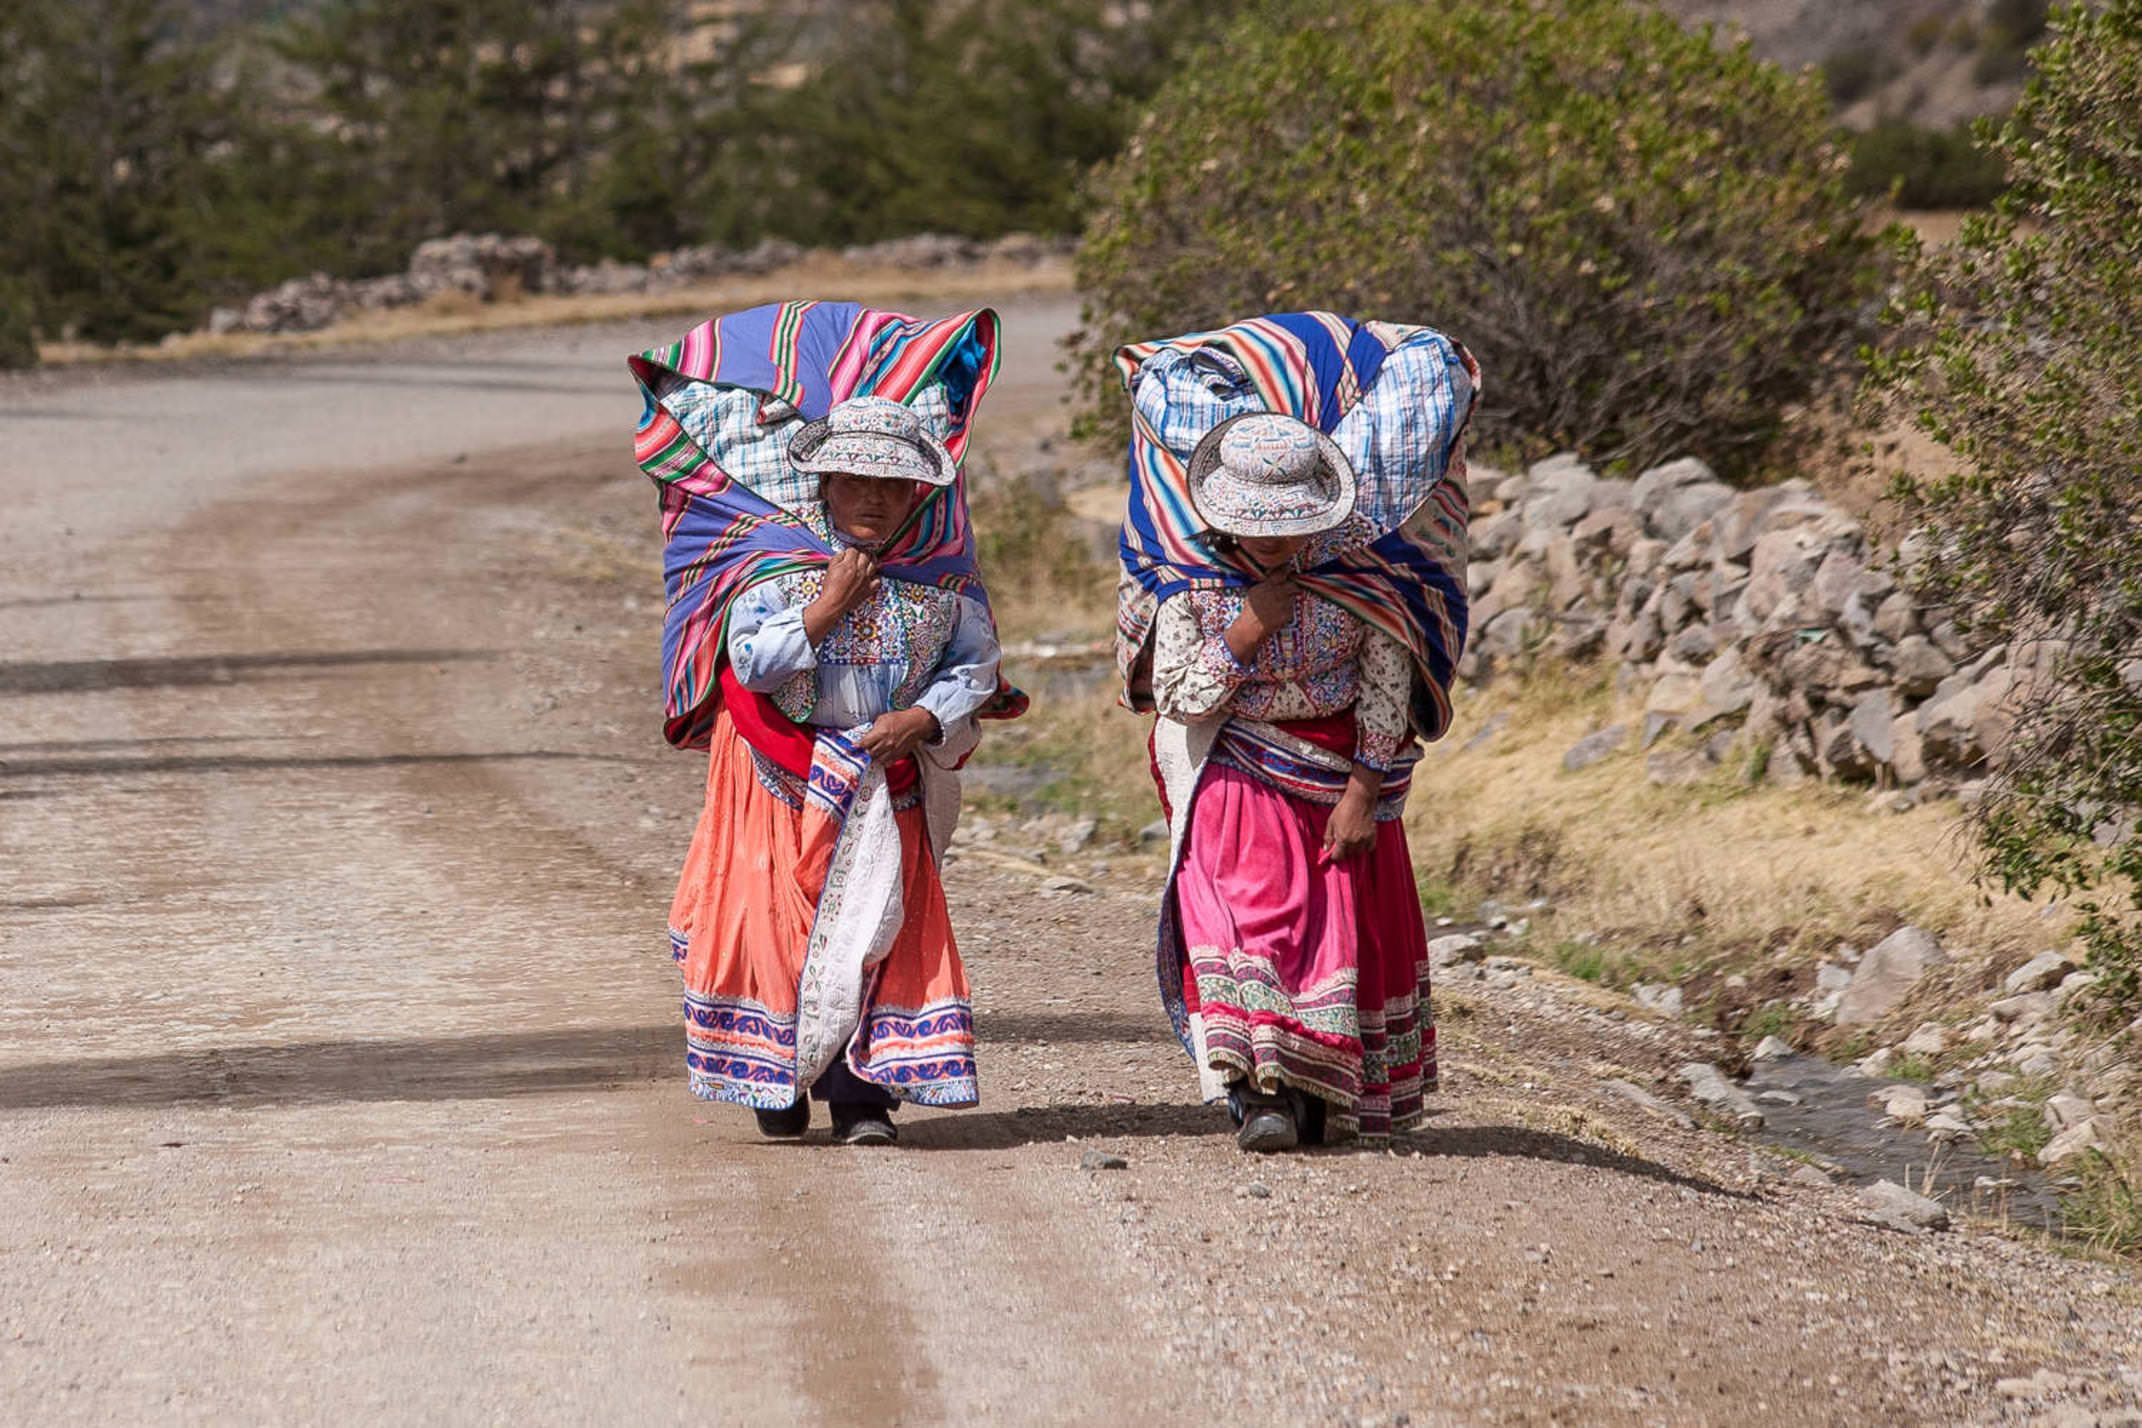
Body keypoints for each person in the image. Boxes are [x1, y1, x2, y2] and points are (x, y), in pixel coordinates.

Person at [630, 303, 1020, 1147]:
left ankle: (860, 1100)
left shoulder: (938, 581)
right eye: (856, 483)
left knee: (875, 930)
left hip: (887, 777)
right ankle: (775, 1076)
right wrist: (826, 607)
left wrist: (922, 715)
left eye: (892, 485)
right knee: (780, 930)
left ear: (919, 492)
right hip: (777, 776)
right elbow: (755, 663)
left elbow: (977, 666)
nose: (874, 500)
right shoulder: (772, 570)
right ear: (825, 488)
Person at [1113, 314, 1478, 1152]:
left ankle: (1306, 1091)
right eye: (1258, 524)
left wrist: (1363, 795)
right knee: (1242, 926)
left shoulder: (1360, 588)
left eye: (1291, 523)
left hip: (1331, 785)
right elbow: (1179, 695)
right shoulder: (1195, 593)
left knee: (1320, 942)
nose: (1275, 539)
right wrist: (1245, 632)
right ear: (1224, 518)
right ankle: (1255, 1092)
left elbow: (1386, 692)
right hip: (1234, 777)